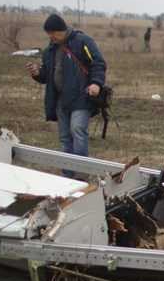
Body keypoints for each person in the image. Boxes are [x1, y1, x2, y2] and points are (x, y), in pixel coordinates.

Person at [25, 13, 107, 178]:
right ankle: (67, 175)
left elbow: (98, 63)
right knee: (64, 138)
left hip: (81, 97)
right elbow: (46, 76)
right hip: (60, 100)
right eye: (49, 34)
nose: (51, 36)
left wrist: (96, 83)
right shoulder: (50, 50)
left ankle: (82, 174)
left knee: (77, 130)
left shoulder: (83, 42)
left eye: (53, 33)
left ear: (61, 30)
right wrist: (36, 73)